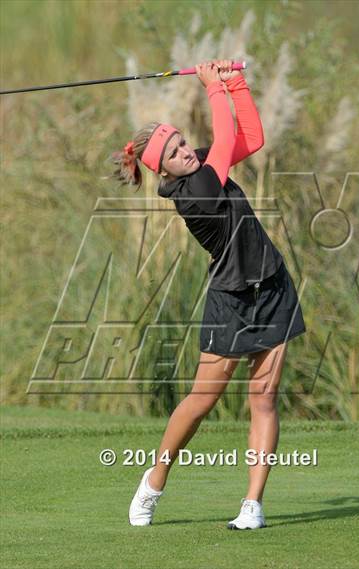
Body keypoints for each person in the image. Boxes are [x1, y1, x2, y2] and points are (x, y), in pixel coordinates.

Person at [110, 59, 306, 530]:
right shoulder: (192, 191)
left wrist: (235, 85)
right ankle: (154, 480)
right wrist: (213, 86)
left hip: (272, 287)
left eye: (181, 140)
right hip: (231, 300)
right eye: (175, 152)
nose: (185, 151)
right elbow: (221, 144)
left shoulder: (199, 165)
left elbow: (251, 139)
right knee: (202, 400)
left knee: (264, 398)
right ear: (164, 170)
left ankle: (253, 506)